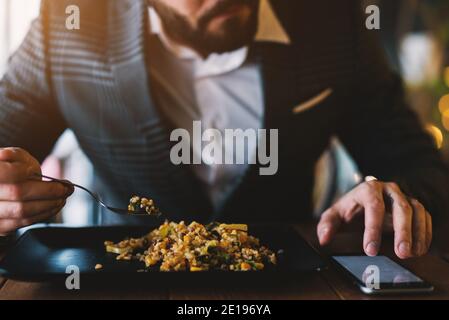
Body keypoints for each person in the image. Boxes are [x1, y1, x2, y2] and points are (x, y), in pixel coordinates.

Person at [0, 0, 447, 259]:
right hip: (121, 280)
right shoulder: (66, 28)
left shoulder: (335, 24)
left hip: (286, 284)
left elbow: (425, 171)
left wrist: (391, 196)